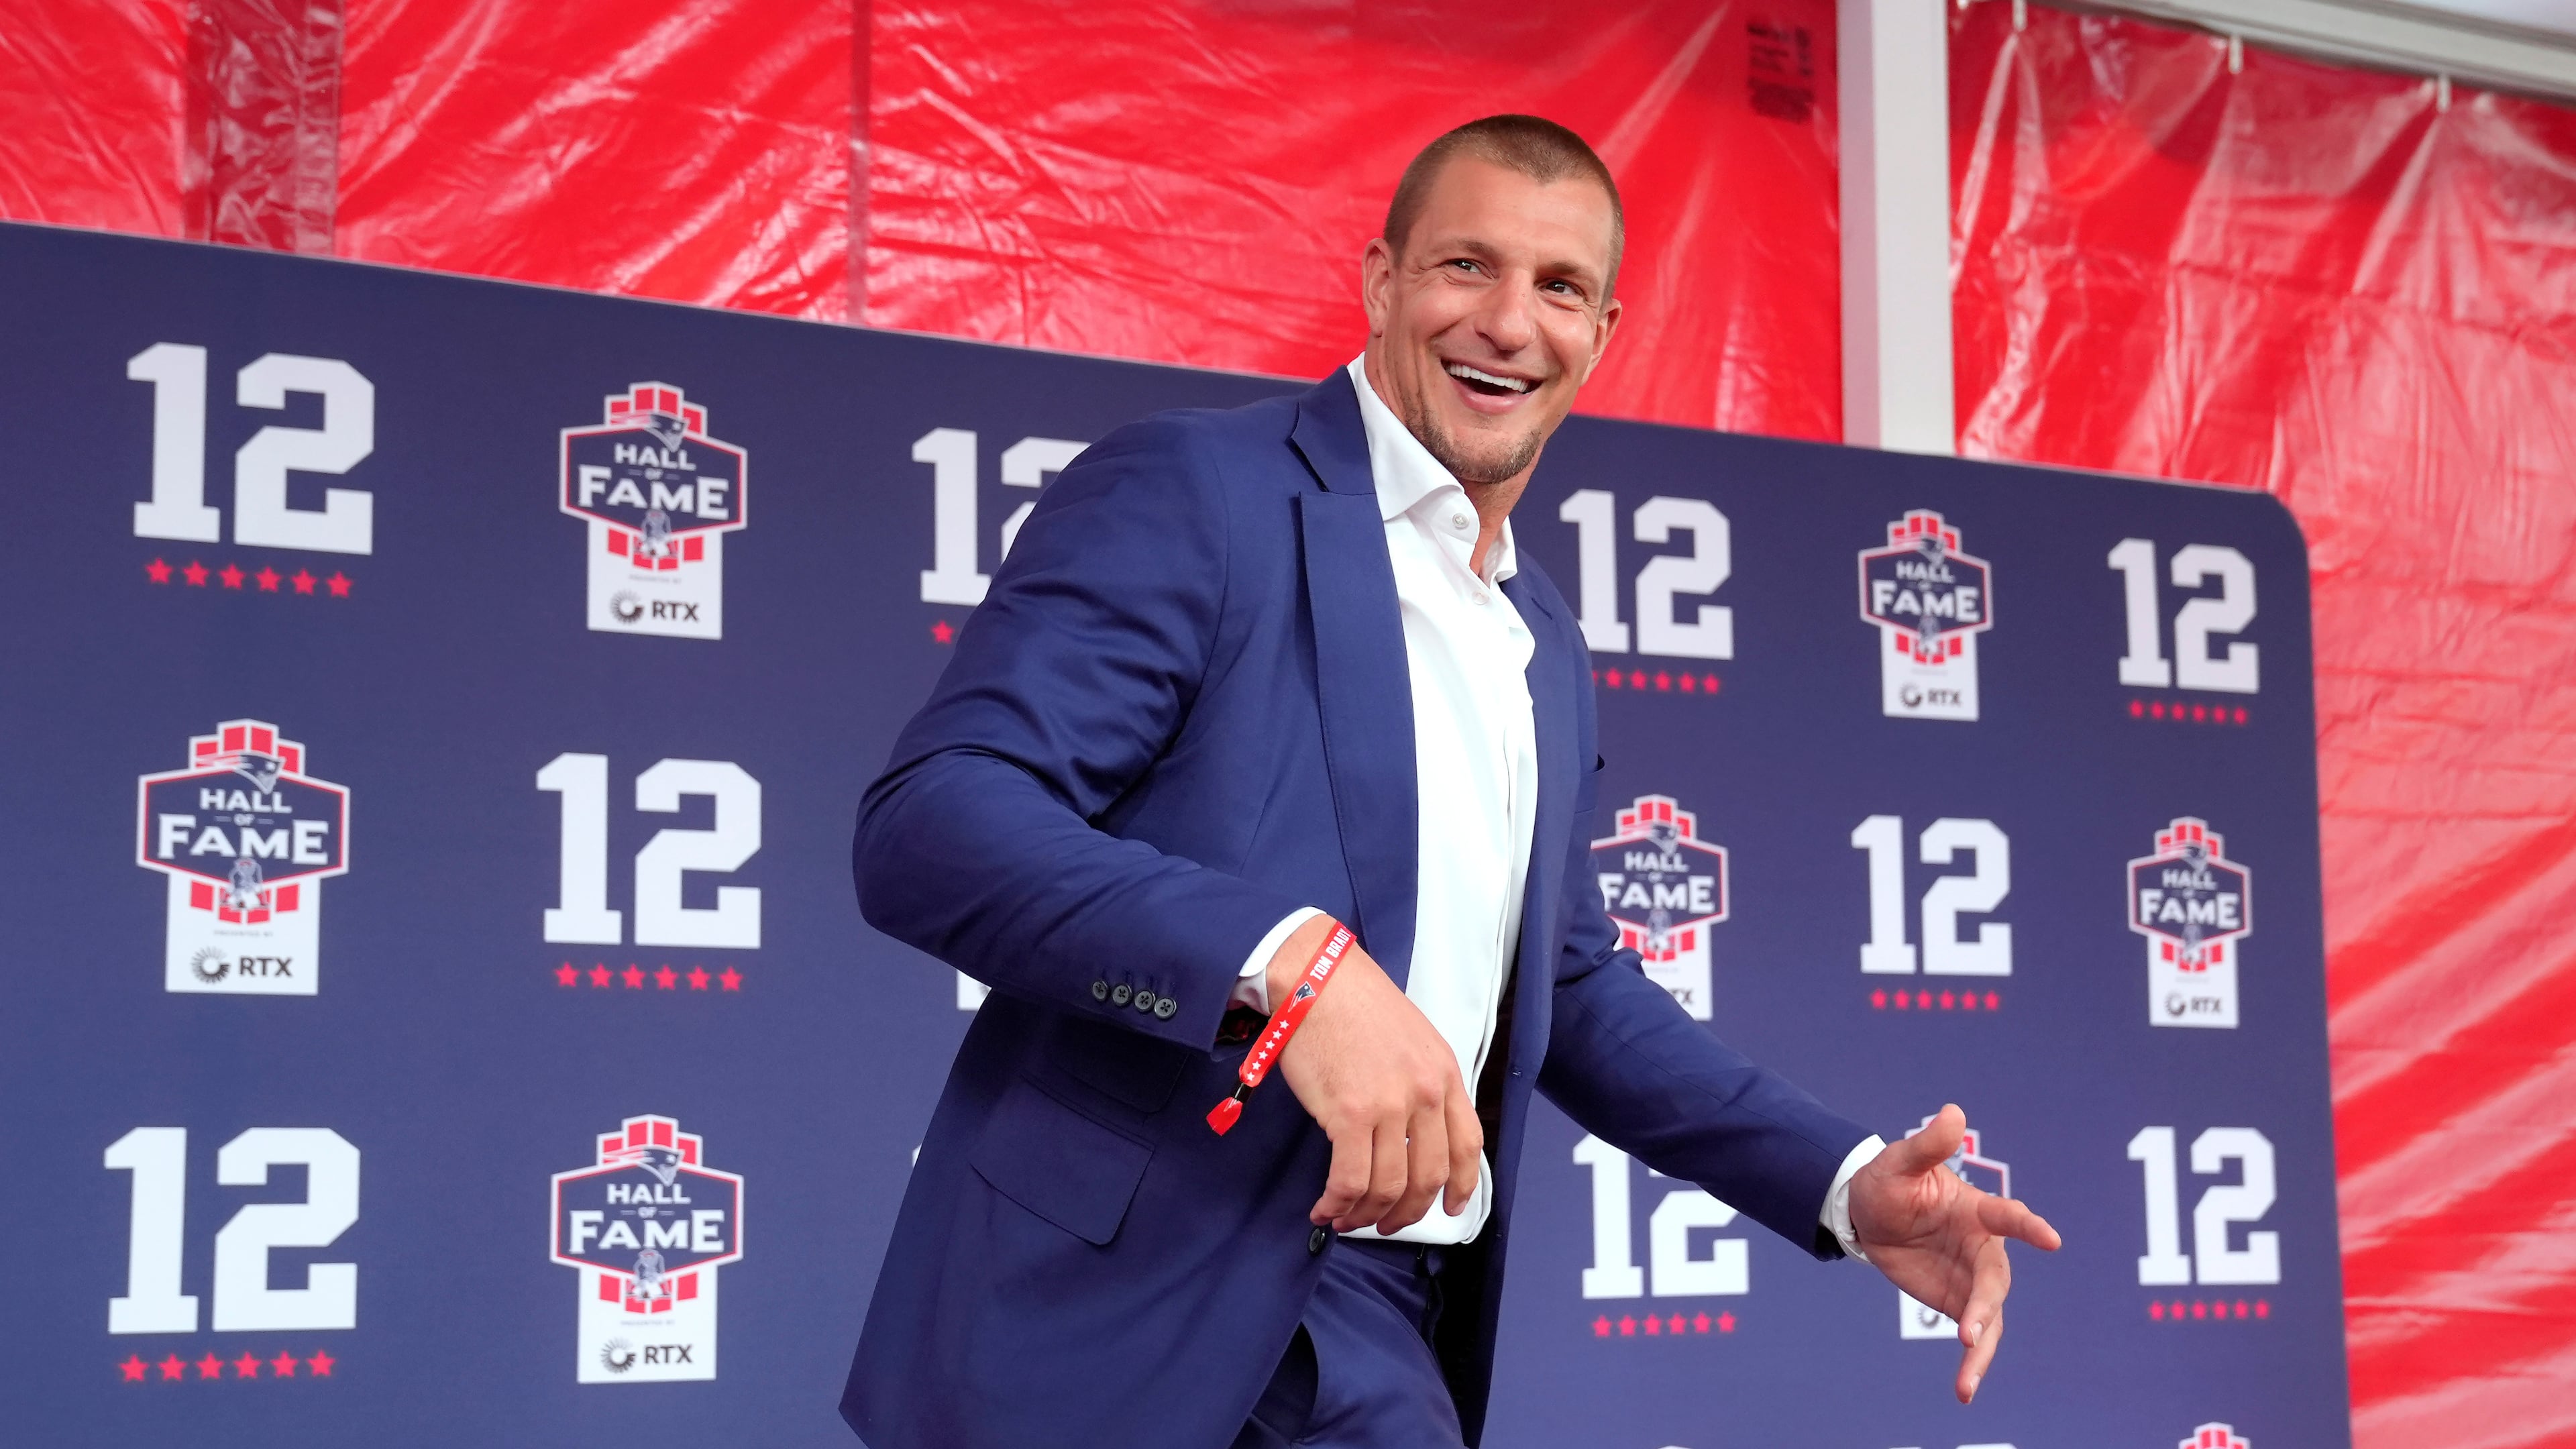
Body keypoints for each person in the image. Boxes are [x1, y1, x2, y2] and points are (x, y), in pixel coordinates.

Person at [843, 114, 2060, 1449]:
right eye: (1465, 267)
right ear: (1380, 283)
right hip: (1104, 1315)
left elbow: (1572, 988)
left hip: (1371, 1321)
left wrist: (1839, 1183)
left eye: (1557, 288)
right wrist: (1289, 967)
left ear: (1604, 329)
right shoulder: (1202, 491)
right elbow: (935, 821)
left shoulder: (1539, 638)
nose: (1508, 322)